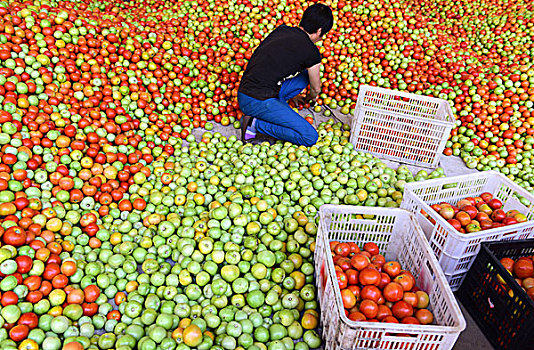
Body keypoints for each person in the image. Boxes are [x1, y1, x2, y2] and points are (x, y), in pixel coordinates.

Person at [237, 3, 334, 146]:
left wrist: (293, 94)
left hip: (245, 92)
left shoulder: (282, 29)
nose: (321, 38)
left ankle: (278, 101)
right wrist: (311, 98)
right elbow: (316, 89)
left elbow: (276, 63)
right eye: (323, 35)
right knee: (309, 137)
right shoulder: (311, 52)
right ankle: (255, 124)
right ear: (319, 31)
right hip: (256, 101)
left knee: (305, 75)